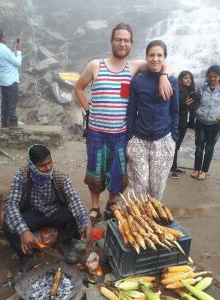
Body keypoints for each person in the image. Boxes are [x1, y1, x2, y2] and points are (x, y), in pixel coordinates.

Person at [74, 23, 173, 225]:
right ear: (112, 41)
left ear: (131, 43)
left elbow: (161, 62)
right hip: (96, 132)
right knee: (95, 169)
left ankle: (111, 203)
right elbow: (78, 88)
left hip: (120, 132)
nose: (122, 43)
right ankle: (94, 205)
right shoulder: (95, 65)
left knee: (117, 171)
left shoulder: (134, 66)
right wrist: (88, 110)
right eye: (118, 39)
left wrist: (164, 76)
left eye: (126, 40)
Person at [3, 144, 92, 274]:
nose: (48, 167)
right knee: (8, 225)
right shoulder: (21, 176)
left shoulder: (59, 177)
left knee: (75, 213)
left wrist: (86, 221)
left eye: (50, 162)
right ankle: (26, 257)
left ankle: (65, 243)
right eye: (43, 165)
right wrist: (23, 231)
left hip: (54, 211)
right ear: (32, 165)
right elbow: (11, 204)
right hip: (31, 213)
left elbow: (74, 199)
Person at [127, 40, 179, 200]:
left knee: (156, 188)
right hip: (138, 140)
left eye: (159, 55)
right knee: (139, 185)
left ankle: (151, 221)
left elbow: (175, 112)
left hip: (163, 140)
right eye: (152, 55)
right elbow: (131, 112)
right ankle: (138, 220)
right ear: (146, 57)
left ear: (164, 58)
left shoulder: (173, 81)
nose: (155, 59)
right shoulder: (137, 81)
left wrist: (174, 138)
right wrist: (128, 138)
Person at [191, 65, 220, 180]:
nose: (212, 79)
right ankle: (196, 169)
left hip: (215, 124)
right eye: (210, 76)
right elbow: (196, 103)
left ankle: (204, 171)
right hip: (201, 122)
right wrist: (197, 112)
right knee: (199, 146)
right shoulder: (201, 88)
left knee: (209, 148)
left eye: (215, 76)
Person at [169, 70, 195, 179]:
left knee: (177, 146)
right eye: (185, 78)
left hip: (184, 123)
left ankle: (174, 167)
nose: (188, 80)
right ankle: (169, 169)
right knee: (173, 146)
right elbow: (172, 108)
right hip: (177, 123)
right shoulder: (178, 91)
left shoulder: (189, 90)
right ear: (180, 79)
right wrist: (184, 105)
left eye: (190, 78)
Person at [0, 28, 22, 128]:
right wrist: (18, 52)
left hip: (2, 80)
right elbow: (18, 63)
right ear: (2, 38)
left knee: (5, 101)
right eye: (4, 35)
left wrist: (13, 53)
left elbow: (7, 60)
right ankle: (13, 123)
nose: (6, 37)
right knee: (12, 101)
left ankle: (4, 122)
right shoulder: (5, 50)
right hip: (11, 80)